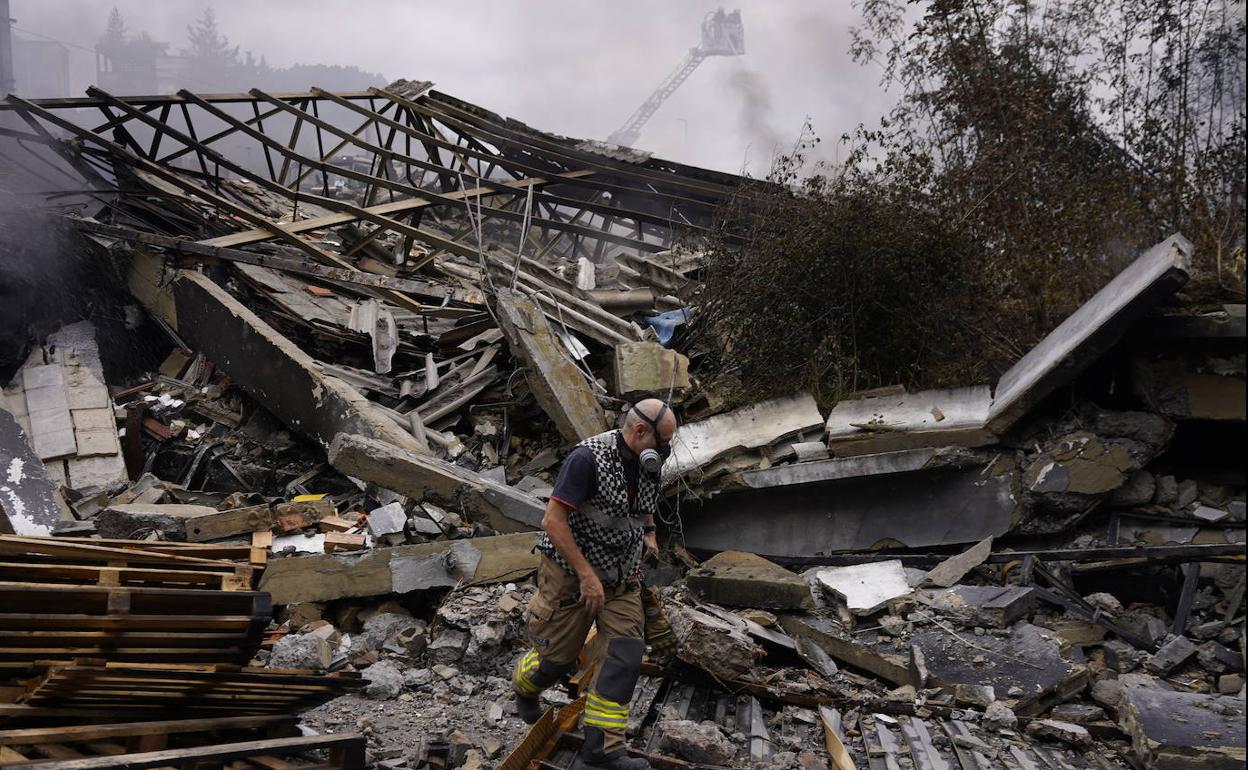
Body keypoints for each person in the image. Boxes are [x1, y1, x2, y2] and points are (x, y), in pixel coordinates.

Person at [511, 399, 677, 770]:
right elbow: (552, 521)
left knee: (624, 654)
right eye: (662, 442)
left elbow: (643, 500)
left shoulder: (649, 460)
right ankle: (524, 687)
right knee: (556, 660)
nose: (666, 451)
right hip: (571, 573)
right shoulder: (586, 459)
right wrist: (586, 576)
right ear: (639, 431)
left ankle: (601, 750)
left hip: (621, 573)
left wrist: (648, 530)